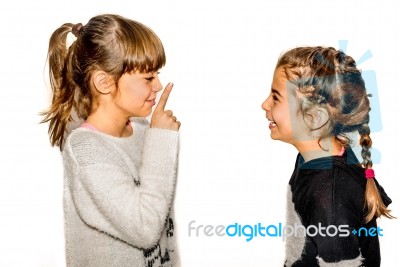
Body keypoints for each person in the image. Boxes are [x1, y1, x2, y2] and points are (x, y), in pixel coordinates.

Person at [41, 14, 180, 266]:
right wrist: (161, 140)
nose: (158, 85)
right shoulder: (86, 151)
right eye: (148, 77)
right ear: (104, 82)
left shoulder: (141, 128)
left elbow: (162, 233)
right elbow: (145, 228)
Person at [261, 46, 393, 266]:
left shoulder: (330, 199)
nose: (264, 104)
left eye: (276, 97)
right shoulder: (312, 158)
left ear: (315, 118)